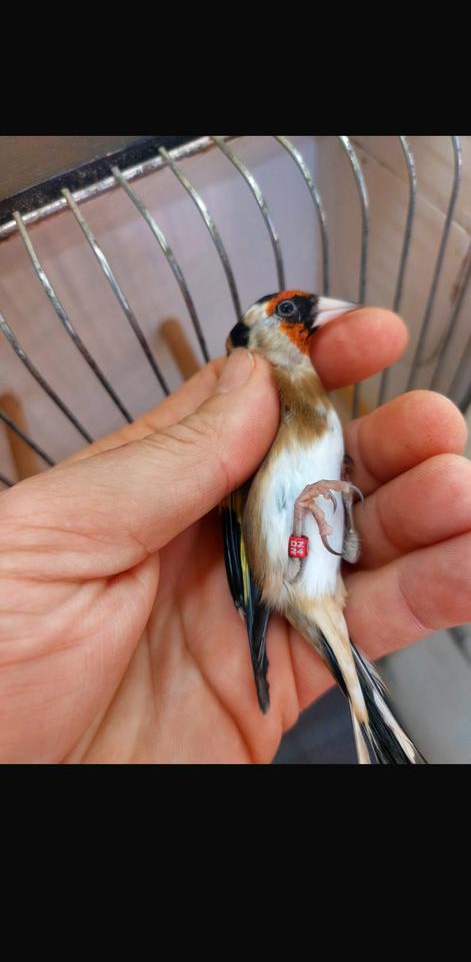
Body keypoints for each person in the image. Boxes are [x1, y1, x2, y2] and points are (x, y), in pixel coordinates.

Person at [0, 308, 468, 764]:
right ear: (258, 335)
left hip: (314, 569)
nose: (311, 313)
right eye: (288, 310)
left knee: (358, 656)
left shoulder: (304, 402)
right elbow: (248, 539)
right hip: (283, 571)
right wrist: (304, 509)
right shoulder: (260, 416)